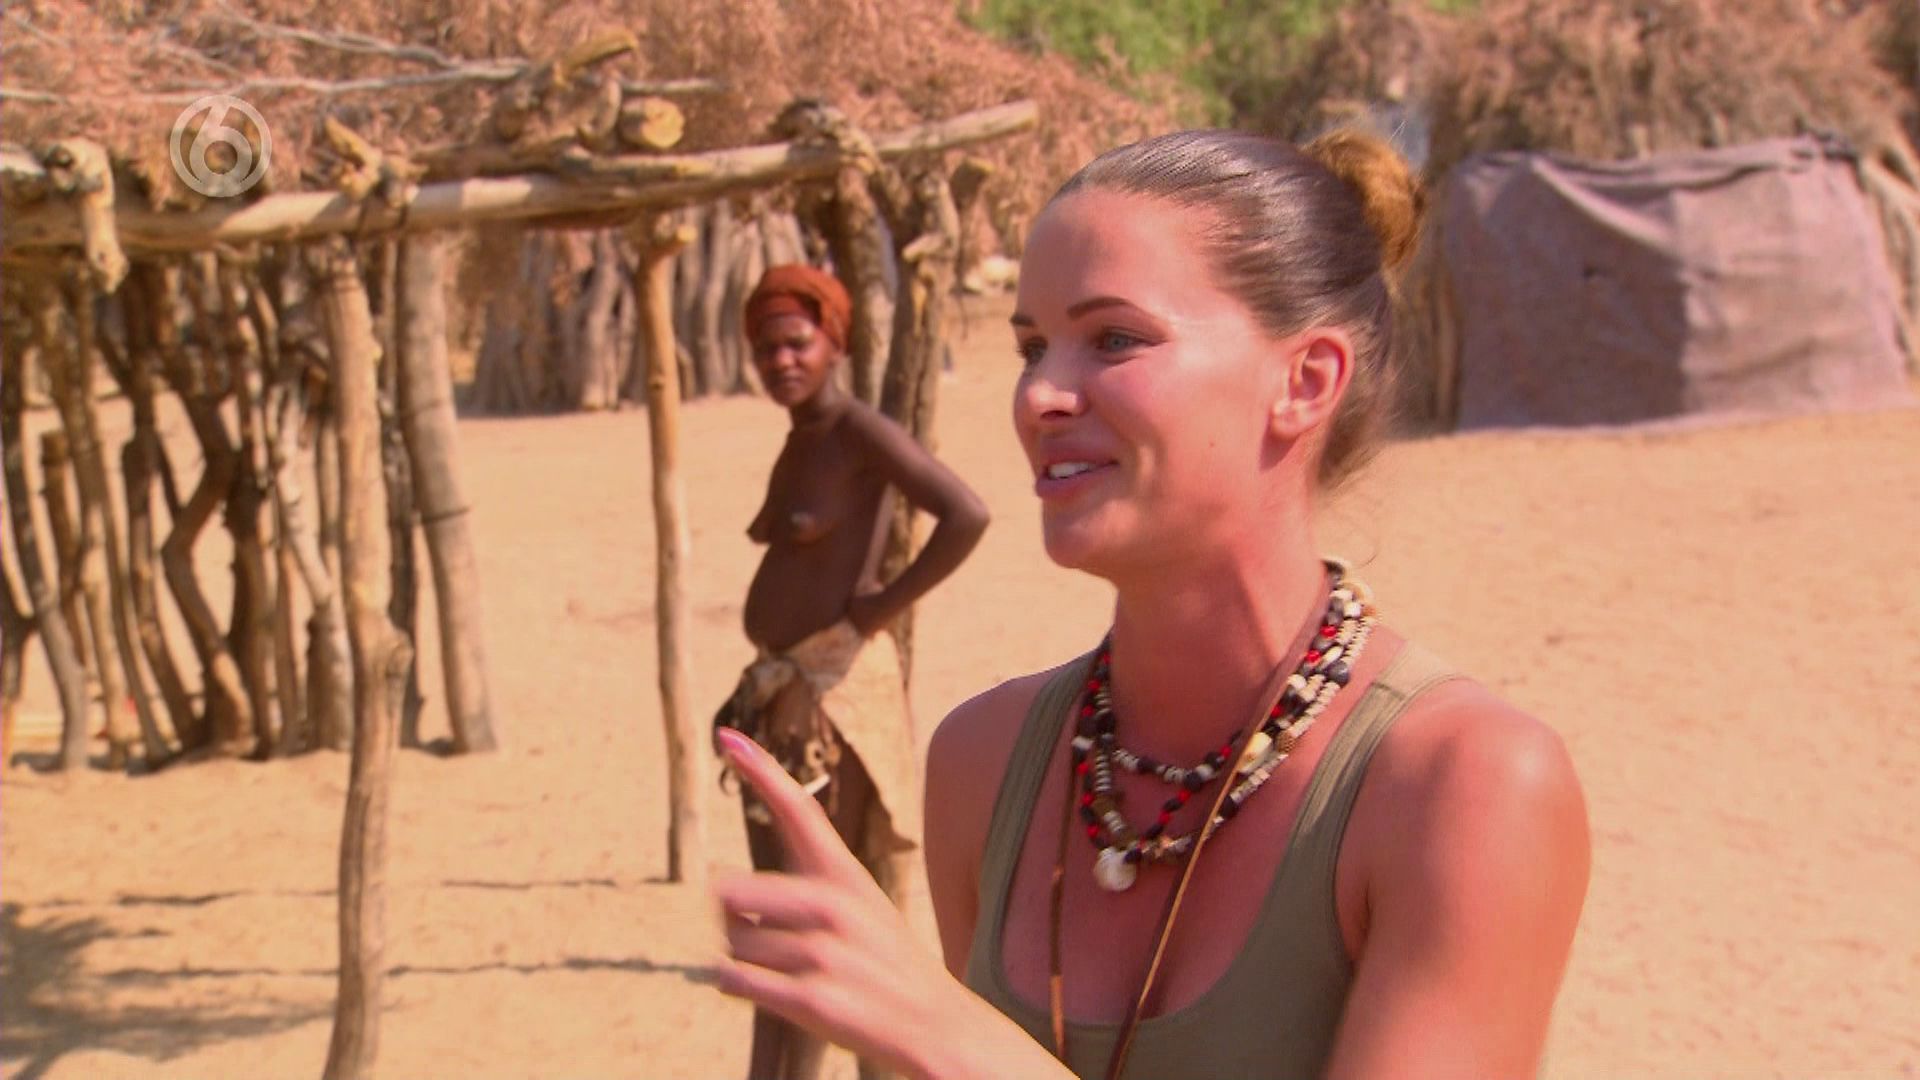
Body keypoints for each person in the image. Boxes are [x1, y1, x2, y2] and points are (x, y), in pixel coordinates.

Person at [712, 130, 1591, 1080]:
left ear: (1304, 382)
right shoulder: (984, 762)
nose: (1040, 396)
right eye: (1033, 347)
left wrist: (947, 1034)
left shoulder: (1462, 789)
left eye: (1115, 339)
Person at [716, 263, 990, 1080]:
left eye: (797, 343)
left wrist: (877, 610)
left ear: (834, 344)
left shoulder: (856, 434)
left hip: (829, 700)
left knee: (814, 924)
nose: (781, 361)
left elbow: (966, 513)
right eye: (766, 349)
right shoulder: (802, 440)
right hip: (782, 690)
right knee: (786, 919)